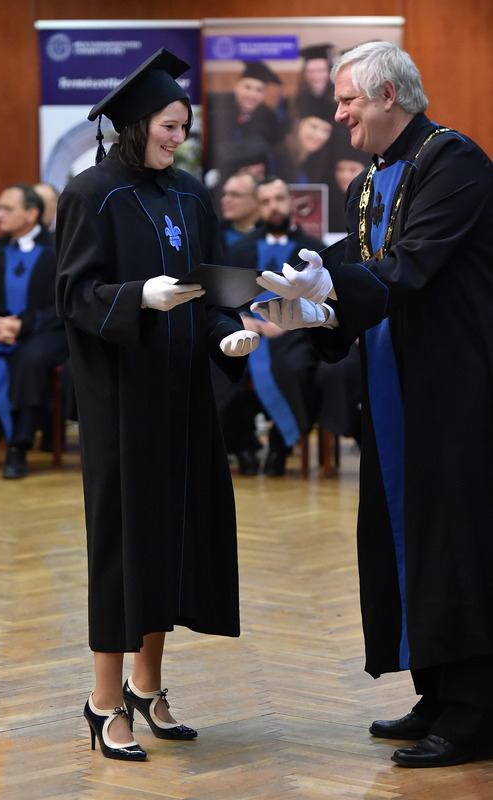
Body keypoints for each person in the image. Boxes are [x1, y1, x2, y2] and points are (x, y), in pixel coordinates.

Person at [252, 40, 493, 768]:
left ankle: (476, 712)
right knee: (403, 536)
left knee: (454, 540)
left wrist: (333, 290)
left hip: (451, 385)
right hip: (390, 386)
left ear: (389, 95)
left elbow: (411, 265)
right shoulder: (367, 182)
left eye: (347, 99)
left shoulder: (453, 161)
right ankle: (435, 693)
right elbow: (351, 265)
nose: (338, 113)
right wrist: (303, 302)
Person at [55, 48, 260, 763]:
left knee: (170, 539)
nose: (179, 138)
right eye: (170, 126)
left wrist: (227, 331)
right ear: (137, 123)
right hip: (122, 400)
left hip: (184, 395)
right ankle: (103, 700)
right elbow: (73, 295)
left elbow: (210, 287)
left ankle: (147, 685)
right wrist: (136, 297)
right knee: (124, 544)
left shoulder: (190, 196)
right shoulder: (91, 194)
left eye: (184, 127)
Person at [215, 176, 323, 476]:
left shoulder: (315, 251)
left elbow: (328, 300)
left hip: (295, 334)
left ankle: (280, 445)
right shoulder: (238, 251)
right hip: (248, 332)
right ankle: (241, 445)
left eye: (279, 199)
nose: (273, 207)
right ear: (257, 207)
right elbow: (223, 297)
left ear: (291, 202)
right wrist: (242, 318)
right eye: (265, 201)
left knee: (296, 368)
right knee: (222, 370)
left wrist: (291, 324)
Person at [0, 183, 69, 478]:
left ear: (31, 214)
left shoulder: (60, 249)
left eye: (6, 208)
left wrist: (24, 324)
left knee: (30, 359)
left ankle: (19, 446)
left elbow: (65, 304)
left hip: (44, 330)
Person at [205, 61, 287, 183]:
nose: (252, 95)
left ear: (264, 94)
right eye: (247, 87)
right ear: (236, 86)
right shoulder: (215, 107)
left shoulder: (270, 119)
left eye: (259, 90)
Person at [218, 171, 261, 251]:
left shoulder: (273, 235)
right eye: (224, 194)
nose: (226, 200)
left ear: (256, 199)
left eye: (235, 194)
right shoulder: (213, 234)